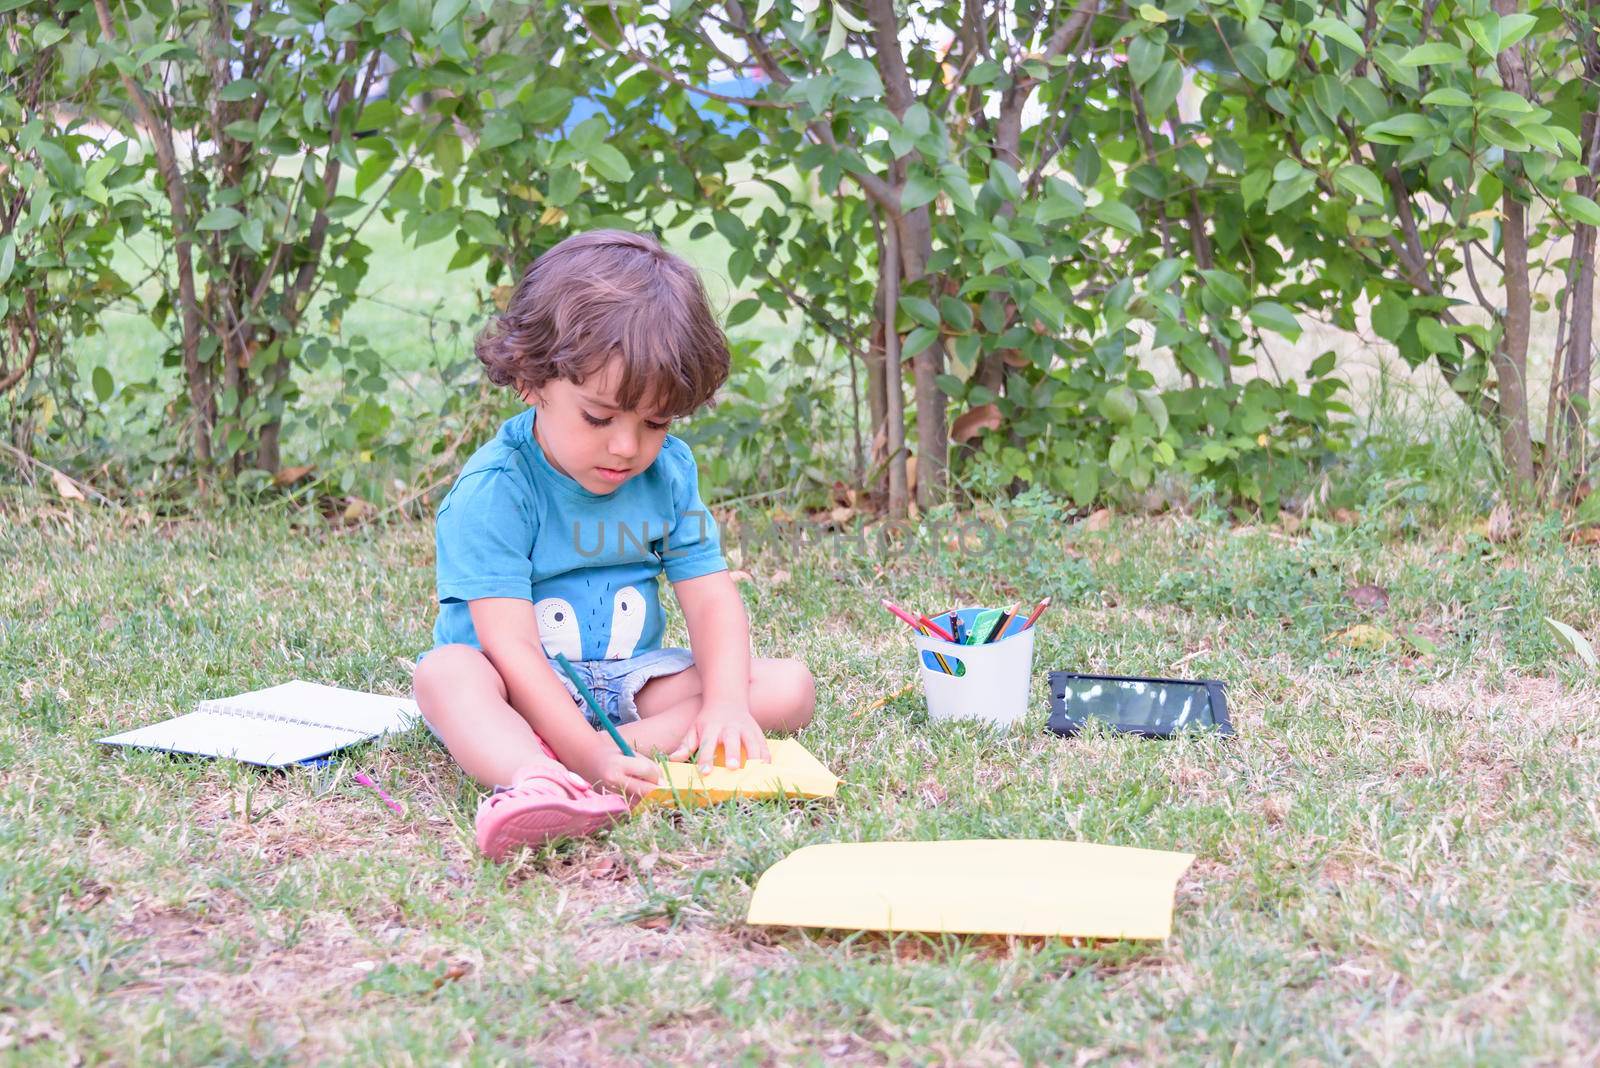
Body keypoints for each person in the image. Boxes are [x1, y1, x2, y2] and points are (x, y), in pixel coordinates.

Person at [413, 230, 816, 860]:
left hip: (628, 685)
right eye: (599, 418)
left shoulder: (669, 473)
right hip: (516, 685)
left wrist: (729, 705)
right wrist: (588, 751)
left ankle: (613, 752)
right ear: (530, 380)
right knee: (446, 675)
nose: (627, 447)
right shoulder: (496, 489)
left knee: (787, 686)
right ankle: (535, 773)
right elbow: (511, 648)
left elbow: (710, 600)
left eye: (655, 423)